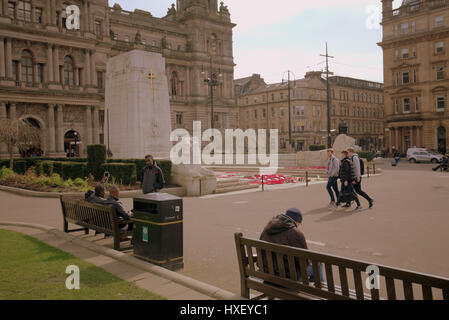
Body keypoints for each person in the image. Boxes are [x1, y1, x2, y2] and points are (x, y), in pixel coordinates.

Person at [260, 208, 324, 283]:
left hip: (266, 274)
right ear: (296, 222)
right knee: (317, 265)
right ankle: (324, 292)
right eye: (299, 224)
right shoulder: (296, 233)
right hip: (286, 279)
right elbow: (304, 262)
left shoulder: (268, 228)